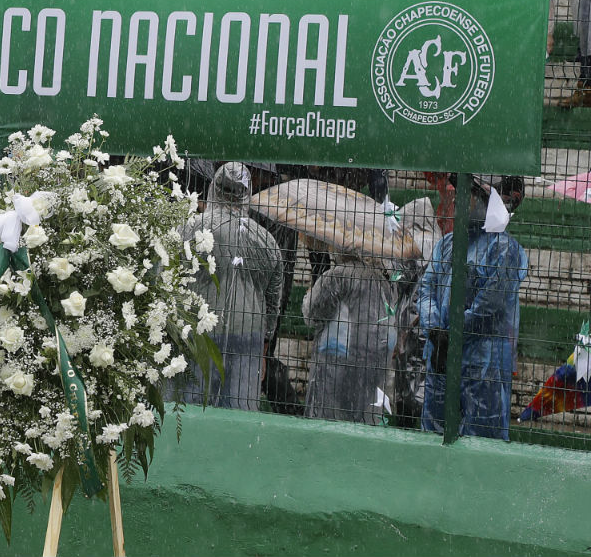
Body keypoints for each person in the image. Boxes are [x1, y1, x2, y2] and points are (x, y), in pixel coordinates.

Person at [418, 178, 527, 440]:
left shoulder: (504, 250)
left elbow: (489, 305)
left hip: (483, 364)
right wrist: (435, 329)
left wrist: (451, 334)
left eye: (468, 193)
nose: (455, 197)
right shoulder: (447, 244)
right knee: (433, 439)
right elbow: (426, 289)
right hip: (441, 355)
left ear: (486, 203)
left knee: (481, 442)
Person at [176, 163, 283, 411]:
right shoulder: (266, 240)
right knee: (240, 415)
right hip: (248, 337)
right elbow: (273, 303)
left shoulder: (190, 229)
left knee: (191, 409)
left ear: (215, 187)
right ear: (247, 194)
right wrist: (264, 347)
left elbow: (168, 277)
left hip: (198, 331)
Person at [303, 234, 396, 425]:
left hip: (335, 362)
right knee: (363, 420)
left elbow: (312, 314)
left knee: (329, 420)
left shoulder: (336, 276)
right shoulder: (381, 281)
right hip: (371, 362)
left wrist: (310, 295)